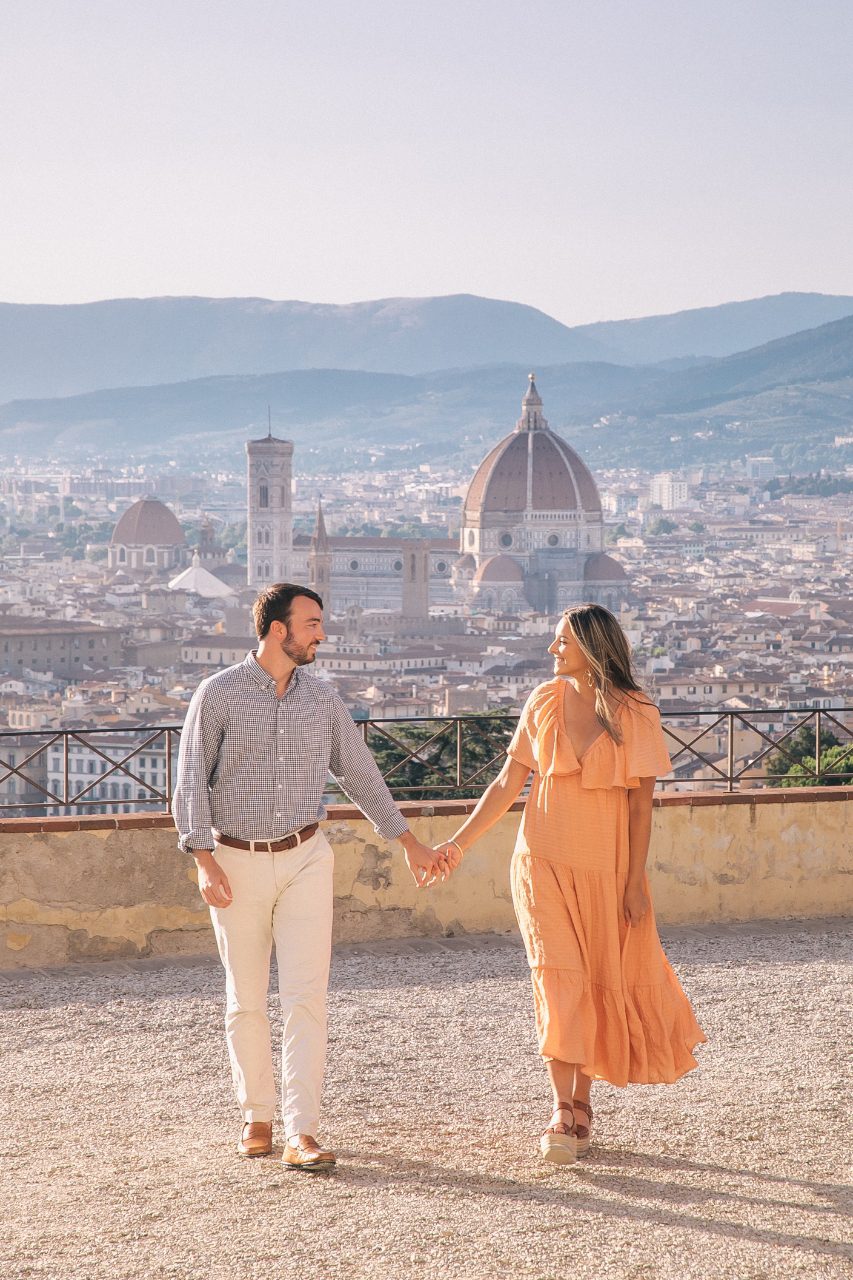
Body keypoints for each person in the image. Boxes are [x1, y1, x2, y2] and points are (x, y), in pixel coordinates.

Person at [172, 583, 441, 1171]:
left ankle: (303, 1129)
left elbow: (361, 775)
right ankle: (257, 1116)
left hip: (306, 857)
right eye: (312, 623)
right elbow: (190, 778)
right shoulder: (215, 695)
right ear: (277, 629)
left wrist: (409, 844)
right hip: (235, 859)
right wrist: (203, 858)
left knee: (306, 998)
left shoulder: (323, 700)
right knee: (245, 998)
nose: (322, 633)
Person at [433, 603, 705, 1164]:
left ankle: (583, 1102)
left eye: (562, 642)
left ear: (593, 646)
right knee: (560, 979)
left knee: (597, 979)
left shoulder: (637, 712)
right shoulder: (544, 701)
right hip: (542, 863)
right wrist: (457, 844)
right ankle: (563, 1107)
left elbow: (640, 808)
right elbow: (508, 783)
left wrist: (634, 883)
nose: (552, 650)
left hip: (607, 871)